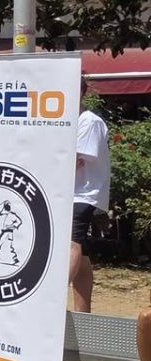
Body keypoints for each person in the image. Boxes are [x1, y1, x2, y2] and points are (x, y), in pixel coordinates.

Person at [71, 98, 110, 317]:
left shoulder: (89, 122)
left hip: (83, 194)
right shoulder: (68, 121)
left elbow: (75, 161)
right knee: (82, 257)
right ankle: (83, 316)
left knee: (71, 244)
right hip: (69, 194)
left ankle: (50, 302)